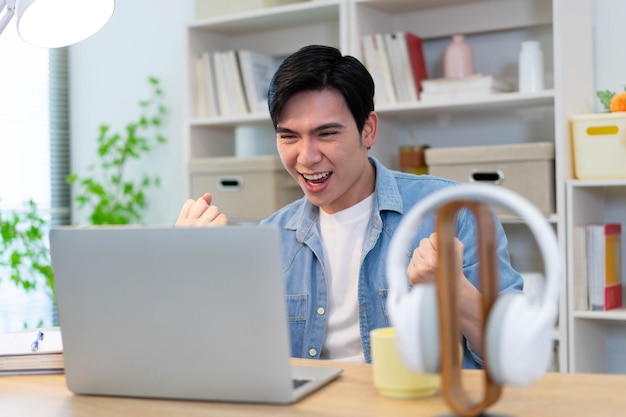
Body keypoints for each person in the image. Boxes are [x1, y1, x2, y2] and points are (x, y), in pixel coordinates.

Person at [176, 45, 523, 369]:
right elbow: (231, 362)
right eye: (289, 136)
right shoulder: (270, 238)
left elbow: (513, 354)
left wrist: (455, 290)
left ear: (368, 130)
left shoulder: (453, 213)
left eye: (326, 134)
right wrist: (198, 271)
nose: (307, 157)